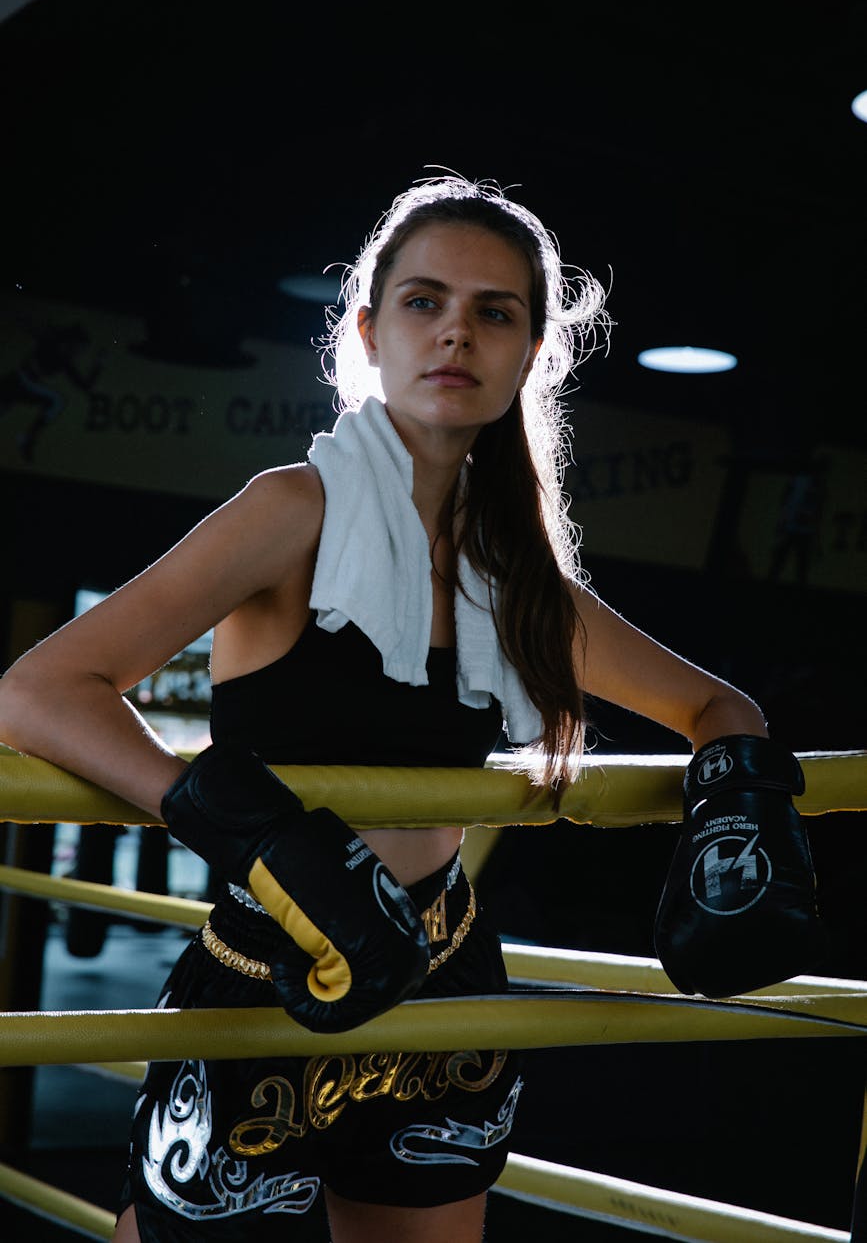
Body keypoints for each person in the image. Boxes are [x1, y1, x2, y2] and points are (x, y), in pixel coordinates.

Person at [0, 174, 821, 1241]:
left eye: (495, 311)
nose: (456, 334)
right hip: (269, 969)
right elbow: (38, 687)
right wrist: (256, 833)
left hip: (445, 975)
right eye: (424, 301)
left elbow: (718, 703)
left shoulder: (516, 572)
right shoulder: (289, 510)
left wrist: (737, 813)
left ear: (532, 351)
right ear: (367, 329)